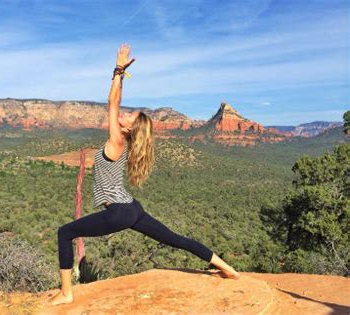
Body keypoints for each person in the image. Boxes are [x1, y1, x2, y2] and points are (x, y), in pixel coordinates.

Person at [49, 43, 239, 306]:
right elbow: (117, 103)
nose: (123, 114)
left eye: (129, 115)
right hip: (132, 208)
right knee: (176, 240)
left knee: (64, 232)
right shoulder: (126, 143)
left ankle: (67, 292)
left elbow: (112, 101)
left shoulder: (116, 140)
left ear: (128, 129)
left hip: (118, 211)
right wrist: (123, 76)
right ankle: (227, 268)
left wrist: (117, 69)